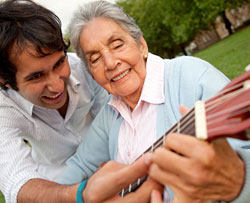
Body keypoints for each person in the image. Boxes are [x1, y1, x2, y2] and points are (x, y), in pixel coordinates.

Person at [57, 1, 249, 202]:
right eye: (95, 59)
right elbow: (78, 165)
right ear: (92, 74)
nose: (110, 63)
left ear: (141, 45)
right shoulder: (110, 113)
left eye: (117, 45)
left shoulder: (192, 75)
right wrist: (78, 196)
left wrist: (238, 181)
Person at [0, 0, 161, 202]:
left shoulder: (87, 68)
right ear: (5, 82)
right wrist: (81, 194)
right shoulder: (3, 111)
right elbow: (17, 182)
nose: (57, 86)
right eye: (36, 77)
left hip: (113, 165)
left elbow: (119, 120)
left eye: (59, 63)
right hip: (57, 188)